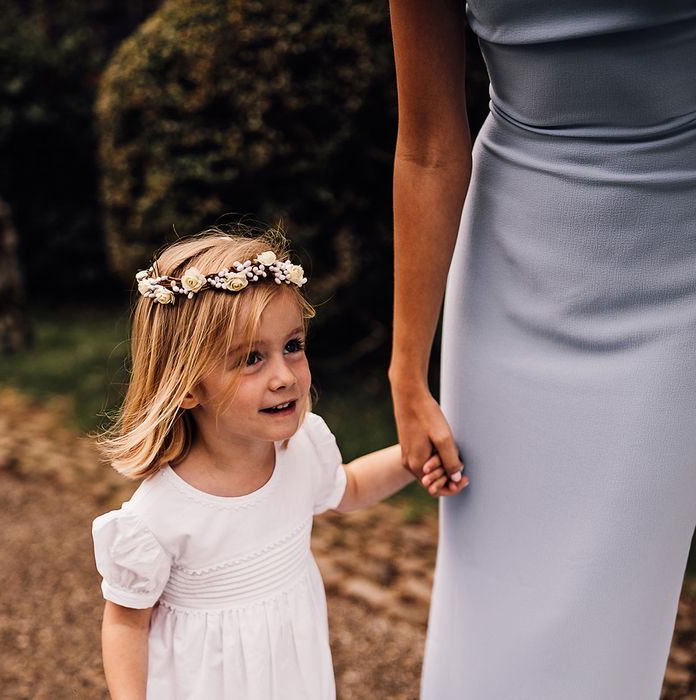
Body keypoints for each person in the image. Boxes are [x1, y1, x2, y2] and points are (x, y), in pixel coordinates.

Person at [389, 1, 696, 698]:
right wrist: (408, 369)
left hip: (681, 263)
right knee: (491, 598)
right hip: (513, 261)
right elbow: (429, 145)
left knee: (613, 604)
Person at [91, 227, 460, 699]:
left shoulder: (302, 449)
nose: (284, 376)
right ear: (186, 386)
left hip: (292, 672)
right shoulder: (159, 514)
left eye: (292, 346)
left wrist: (413, 458)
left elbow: (349, 487)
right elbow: (125, 623)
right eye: (250, 359)